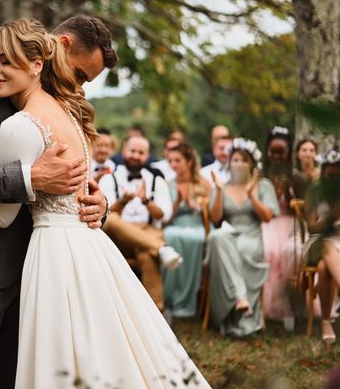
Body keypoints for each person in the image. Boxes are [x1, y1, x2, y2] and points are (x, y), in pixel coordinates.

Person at [0, 18, 210, 388]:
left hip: (54, 250)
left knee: (64, 353)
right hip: (90, 247)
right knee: (105, 343)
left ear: (35, 63)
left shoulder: (21, 125)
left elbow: (3, 216)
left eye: (5, 62)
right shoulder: (71, 113)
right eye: (83, 75)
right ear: (59, 50)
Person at [0, 15, 117, 388]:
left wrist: (98, 204)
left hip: (37, 270)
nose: (81, 88)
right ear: (60, 46)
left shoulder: (56, 100)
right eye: (80, 75)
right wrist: (28, 179)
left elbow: (65, 177)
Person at [99, 135, 180, 312]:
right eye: (132, 151)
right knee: (112, 219)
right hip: (118, 238)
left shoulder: (156, 181)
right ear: (123, 151)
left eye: (141, 153)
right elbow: (103, 216)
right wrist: (123, 201)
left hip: (147, 231)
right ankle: (161, 248)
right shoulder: (108, 179)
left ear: (147, 155)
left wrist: (146, 201)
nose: (136, 155)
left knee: (146, 255)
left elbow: (164, 216)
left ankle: (155, 312)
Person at [208, 138, 279, 336]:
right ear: (229, 163)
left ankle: (242, 313)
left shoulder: (263, 186)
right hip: (229, 234)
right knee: (216, 237)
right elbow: (215, 219)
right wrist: (220, 192)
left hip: (252, 236)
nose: (239, 164)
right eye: (235, 160)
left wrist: (252, 195)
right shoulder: (221, 186)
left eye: (244, 160)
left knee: (242, 249)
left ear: (252, 164)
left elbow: (267, 217)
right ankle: (240, 298)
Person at [163, 142, 212, 318]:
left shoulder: (203, 183)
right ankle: (170, 297)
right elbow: (166, 217)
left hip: (198, 224)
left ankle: (187, 299)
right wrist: (176, 204)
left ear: (189, 161)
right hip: (176, 224)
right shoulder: (168, 184)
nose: (173, 165)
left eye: (178, 160)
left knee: (196, 240)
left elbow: (213, 214)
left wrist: (194, 205)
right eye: (170, 161)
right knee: (169, 236)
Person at [260, 126, 299, 326]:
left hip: (290, 223)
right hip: (266, 222)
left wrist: (290, 194)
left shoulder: (294, 176)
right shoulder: (259, 174)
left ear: (288, 153)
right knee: (267, 250)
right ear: (266, 151)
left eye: (280, 152)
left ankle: (289, 308)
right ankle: (263, 307)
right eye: (272, 151)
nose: (276, 156)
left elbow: (302, 208)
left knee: (287, 253)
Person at [302, 149, 340, 342]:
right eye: (330, 176)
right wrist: (329, 219)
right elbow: (310, 226)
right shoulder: (313, 191)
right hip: (317, 241)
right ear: (323, 173)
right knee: (326, 245)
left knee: (325, 268)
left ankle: (326, 321)